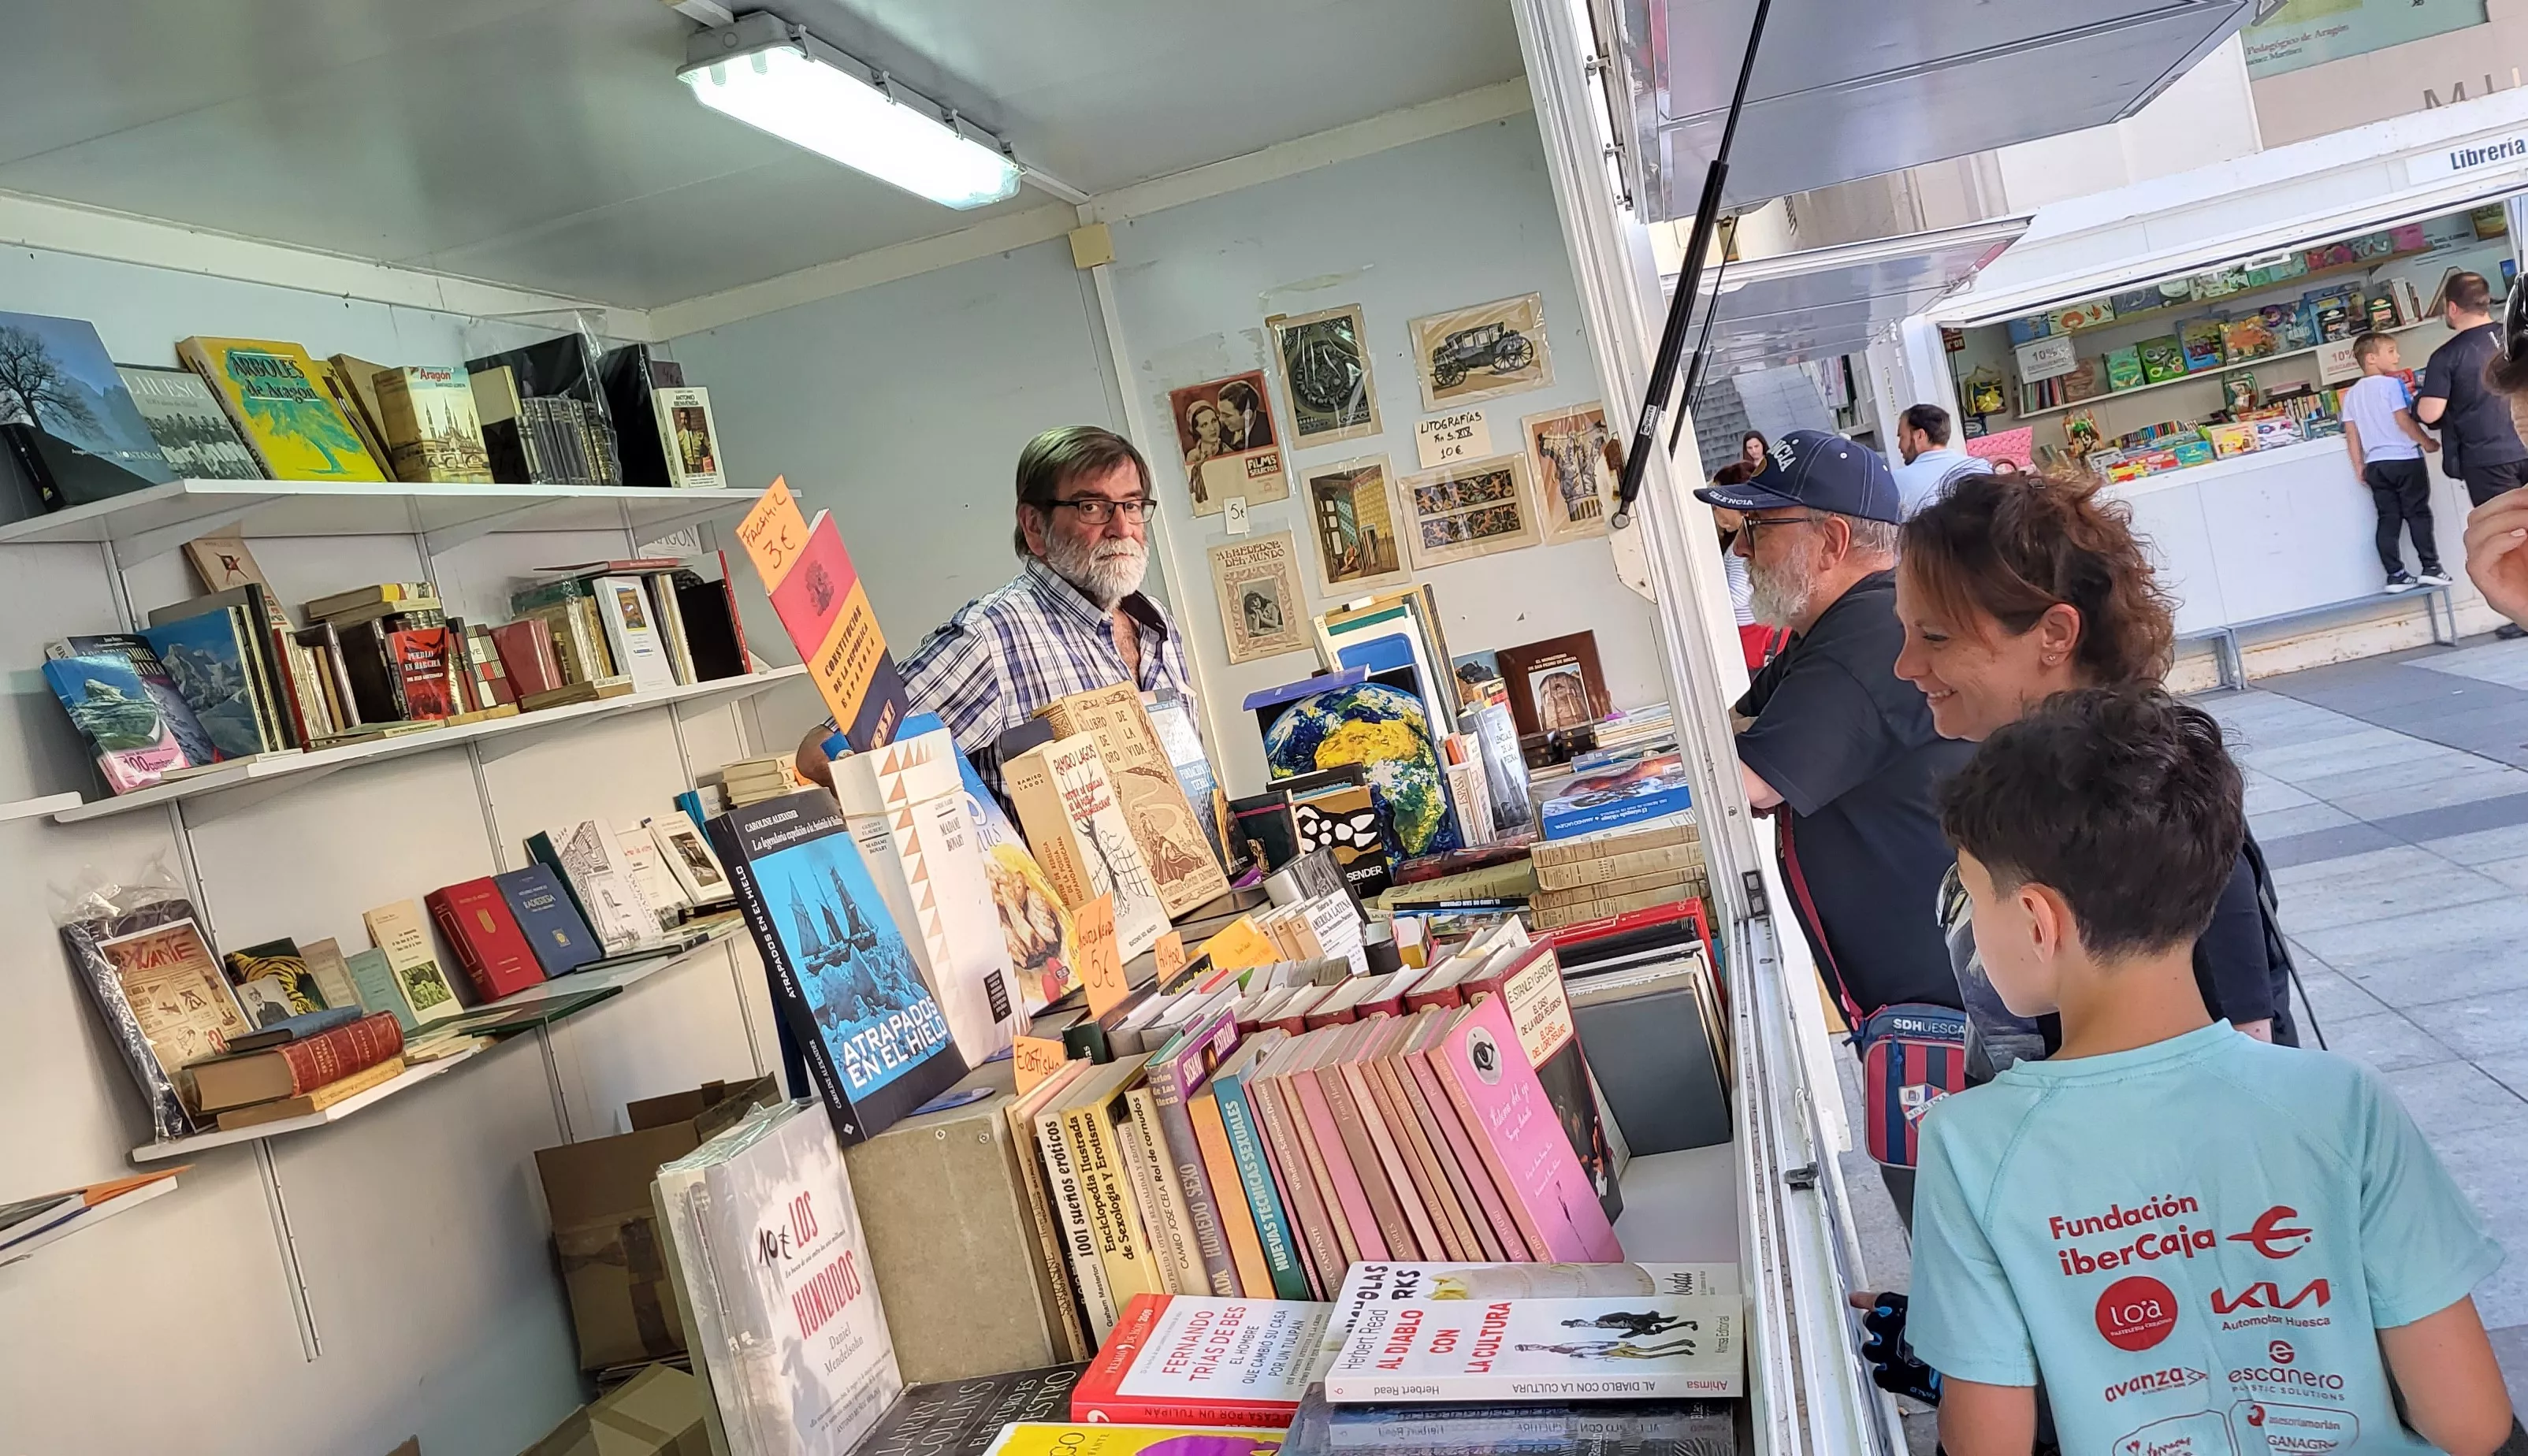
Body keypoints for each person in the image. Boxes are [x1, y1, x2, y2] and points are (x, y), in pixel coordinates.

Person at [1907, 686, 2514, 1456]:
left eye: (1970, 891)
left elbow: (1985, 1446)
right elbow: (2471, 1424)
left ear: (2035, 921)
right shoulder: (2342, 1105)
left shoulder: (1970, 1147)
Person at [1894, 469, 2296, 1068]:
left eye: (1935, 636)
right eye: (1904, 632)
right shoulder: (2027, 791)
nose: (1906, 665)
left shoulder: (2150, 813)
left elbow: (2242, 1071)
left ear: (2054, 634)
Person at [1695, 429, 1972, 1217]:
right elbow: (1738, 725)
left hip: (1948, 1011)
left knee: (1960, 1232)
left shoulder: (1870, 633)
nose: (1742, 548)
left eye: (1761, 528)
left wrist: (1733, 760)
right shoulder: (1830, 626)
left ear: (1833, 540)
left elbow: (1745, 780)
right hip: (1916, 998)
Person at [793, 425, 1195, 802]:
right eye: (1092, 507)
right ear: (1034, 525)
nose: (1122, 527)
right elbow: (821, 754)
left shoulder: (1155, 623)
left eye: (1133, 505)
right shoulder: (991, 638)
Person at [2342, 331, 2450, 593]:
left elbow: (2351, 433)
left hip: (2376, 465)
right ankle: (2431, 568)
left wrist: (2359, 466)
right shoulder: (2391, 385)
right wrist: (2427, 442)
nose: (2397, 356)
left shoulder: (2351, 394)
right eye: (2390, 351)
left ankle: (2396, 575)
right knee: (2418, 514)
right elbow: (2404, 420)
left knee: (2387, 518)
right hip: (2404, 459)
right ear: (2371, 358)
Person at [2417, 271, 2528, 511]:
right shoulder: (2519, 337)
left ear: (2453, 308)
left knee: (2507, 533)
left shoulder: (2446, 356)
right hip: (2525, 443)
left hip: (2488, 460)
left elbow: (2430, 413)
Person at [1889, 403, 1982, 518]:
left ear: (1920, 436)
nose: (1899, 446)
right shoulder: (1981, 467)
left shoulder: (1896, 482)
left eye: (1902, 437)